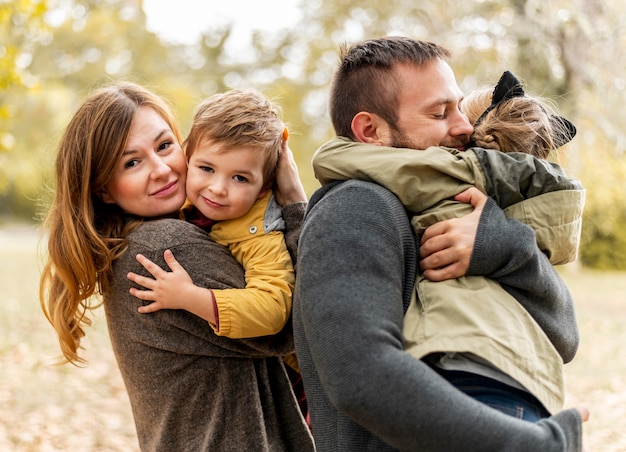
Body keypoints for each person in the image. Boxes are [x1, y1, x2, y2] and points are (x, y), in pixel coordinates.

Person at [292, 36, 587, 451]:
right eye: (439, 112)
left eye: (459, 105)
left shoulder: (445, 206)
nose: (465, 126)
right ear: (370, 130)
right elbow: (360, 374)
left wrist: (506, 248)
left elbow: (565, 337)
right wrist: (527, 443)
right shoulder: (356, 207)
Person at [39, 81, 314, 451]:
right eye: (132, 162)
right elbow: (303, 325)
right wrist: (294, 202)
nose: (162, 169)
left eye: (165, 146)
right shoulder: (166, 249)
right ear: (103, 188)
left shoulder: (146, 238)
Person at [126, 88, 307, 420]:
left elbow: (272, 308)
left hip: (296, 387)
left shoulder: (260, 231)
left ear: (264, 188)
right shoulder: (183, 203)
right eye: (206, 168)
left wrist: (190, 297)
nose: (218, 188)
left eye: (240, 178)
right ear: (187, 156)